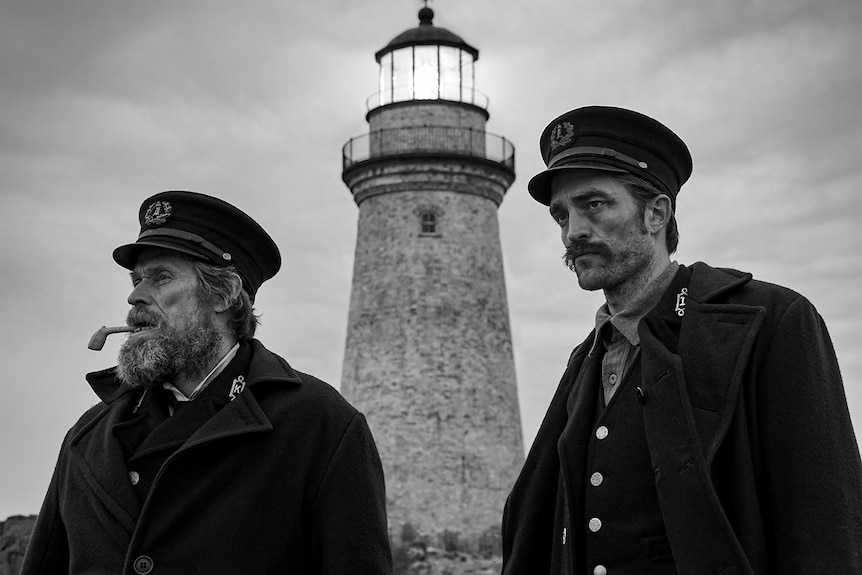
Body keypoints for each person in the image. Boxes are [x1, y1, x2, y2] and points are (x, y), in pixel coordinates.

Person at [501, 106, 862, 574]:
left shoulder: (769, 320)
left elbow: (826, 525)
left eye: (594, 204)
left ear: (656, 213)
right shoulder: (586, 358)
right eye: (561, 215)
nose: (573, 232)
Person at [22, 191, 393, 574]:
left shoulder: (321, 425)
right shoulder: (89, 435)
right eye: (136, 280)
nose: (134, 296)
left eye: (160, 278)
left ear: (223, 296)